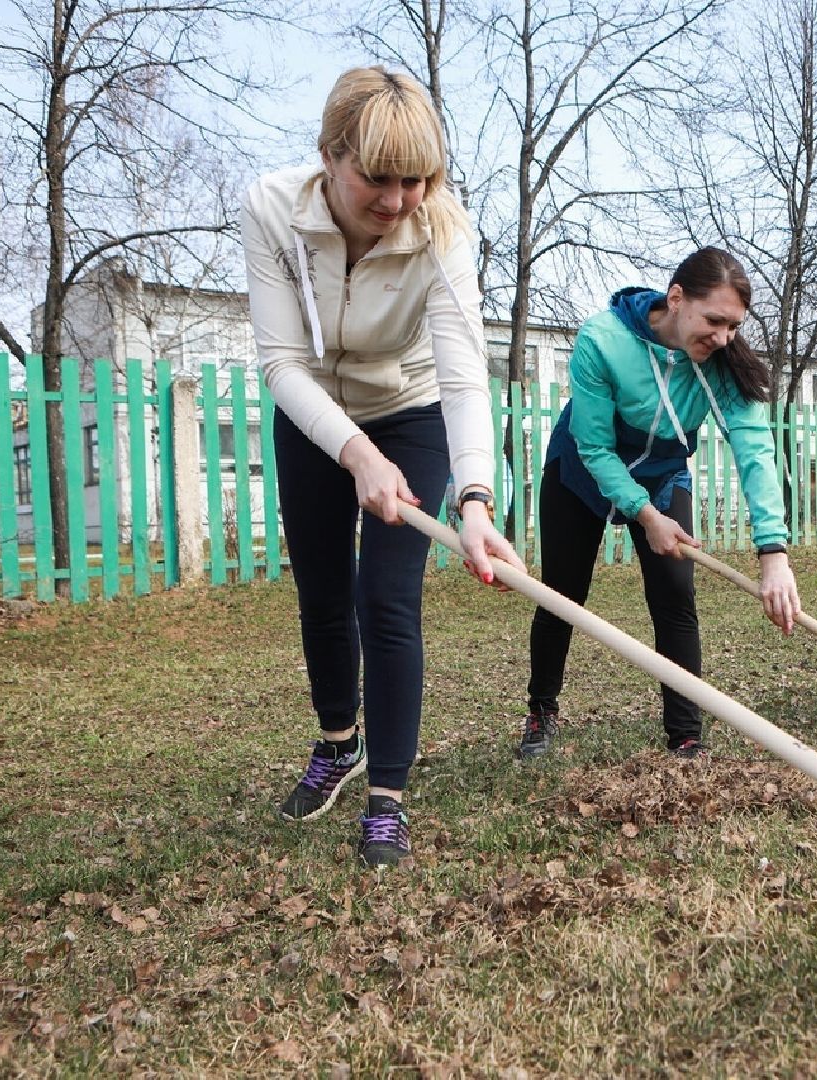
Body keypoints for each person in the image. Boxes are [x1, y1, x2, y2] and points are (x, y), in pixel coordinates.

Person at [241, 66, 524, 868]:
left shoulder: (442, 232)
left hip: (411, 410)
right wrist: (353, 452)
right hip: (313, 411)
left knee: (387, 597)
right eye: (377, 177)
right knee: (323, 591)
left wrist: (474, 498)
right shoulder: (270, 207)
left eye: (416, 179)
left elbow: (465, 371)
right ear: (329, 155)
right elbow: (280, 362)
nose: (398, 200)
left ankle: (387, 798)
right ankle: (339, 742)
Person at [518, 247, 801, 760]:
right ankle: (542, 710)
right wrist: (643, 515)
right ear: (676, 299)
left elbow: (755, 452)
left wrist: (773, 553)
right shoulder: (603, 340)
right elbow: (596, 447)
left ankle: (686, 734)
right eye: (713, 321)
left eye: (733, 326)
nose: (723, 338)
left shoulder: (719, 363)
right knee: (562, 594)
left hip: (663, 475)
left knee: (675, 598)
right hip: (581, 472)